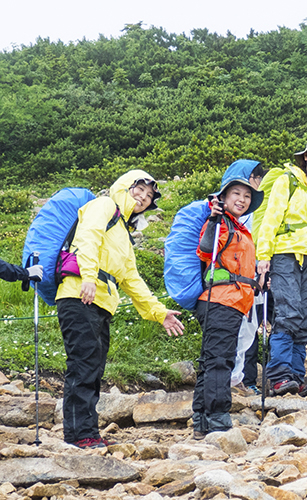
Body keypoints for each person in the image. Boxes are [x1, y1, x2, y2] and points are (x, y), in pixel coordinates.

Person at [56, 170, 184, 449]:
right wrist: (88, 277)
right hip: (80, 294)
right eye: (139, 189)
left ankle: (86, 432)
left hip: (100, 302)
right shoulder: (103, 206)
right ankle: (78, 435)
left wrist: (158, 312)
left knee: (94, 367)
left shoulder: (123, 233)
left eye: (149, 196)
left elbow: (130, 278)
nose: (143, 197)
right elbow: (87, 237)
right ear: (124, 186)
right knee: (83, 365)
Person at [255, 126, 307, 396]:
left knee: (303, 319)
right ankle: (278, 375)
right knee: (288, 313)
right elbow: (271, 219)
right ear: (305, 157)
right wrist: (263, 256)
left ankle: (295, 375)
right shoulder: (287, 181)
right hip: (285, 256)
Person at [192, 171, 262, 439]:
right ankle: (218, 418)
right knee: (221, 360)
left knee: (211, 360)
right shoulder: (222, 223)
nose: (242, 200)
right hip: (220, 300)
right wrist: (214, 218)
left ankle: (201, 420)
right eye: (237, 194)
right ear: (223, 197)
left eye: (247, 196)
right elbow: (207, 248)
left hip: (233, 301)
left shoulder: (239, 228)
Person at [218, 160, 268, 397]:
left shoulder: (253, 214)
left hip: (251, 282)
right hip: (225, 290)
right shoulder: (220, 218)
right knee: (228, 338)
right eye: (252, 177)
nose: (255, 182)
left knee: (251, 329)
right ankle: (224, 389)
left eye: (257, 179)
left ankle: (245, 379)